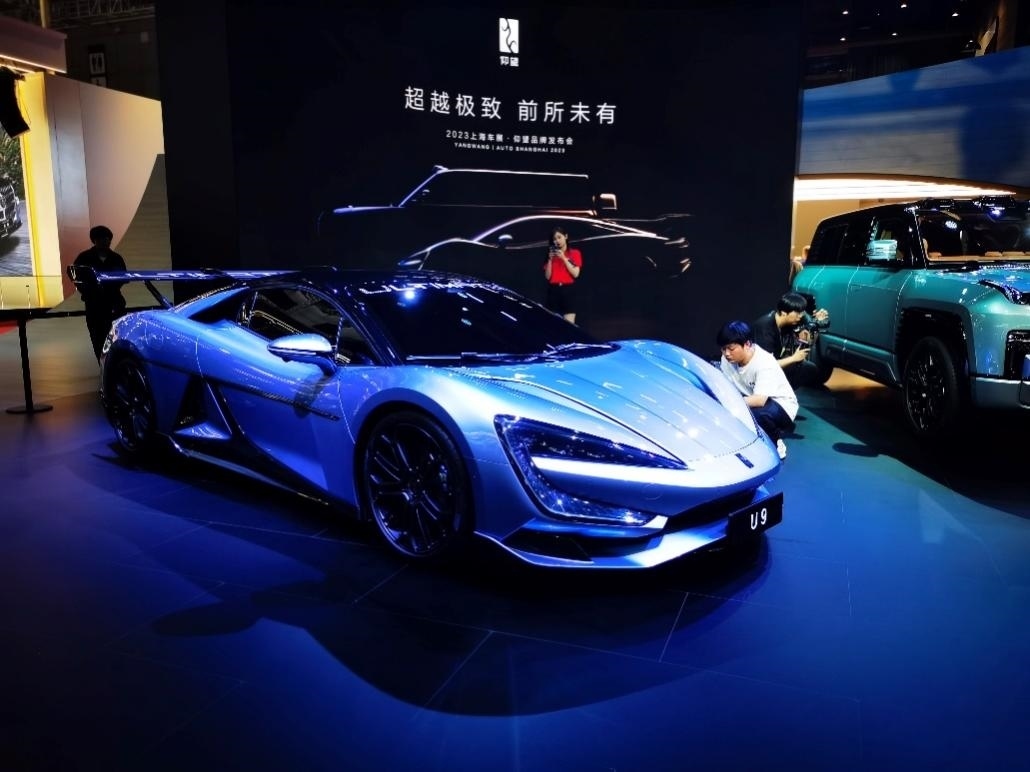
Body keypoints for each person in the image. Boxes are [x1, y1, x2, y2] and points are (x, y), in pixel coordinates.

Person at [716, 320, 798, 460]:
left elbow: (759, 400)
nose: (727, 353)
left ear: (747, 344)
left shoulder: (764, 362)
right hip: (752, 397)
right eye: (723, 349)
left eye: (731, 348)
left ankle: (776, 443)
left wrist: (729, 402)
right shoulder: (726, 359)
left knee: (756, 414)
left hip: (782, 406)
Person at [752, 291, 829, 389]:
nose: (800, 316)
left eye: (801, 312)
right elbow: (765, 366)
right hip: (758, 371)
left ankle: (785, 392)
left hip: (777, 363)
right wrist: (793, 358)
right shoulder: (765, 328)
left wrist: (815, 325)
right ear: (784, 313)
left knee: (809, 369)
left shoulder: (794, 320)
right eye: (797, 313)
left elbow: (809, 342)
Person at [72, 225, 127, 360]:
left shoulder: (116, 258)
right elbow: (76, 278)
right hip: (94, 306)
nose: (106, 241)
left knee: (117, 340)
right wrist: (88, 291)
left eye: (108, 239)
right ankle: (103, 366)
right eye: (102, 239)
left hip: (114, 305)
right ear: (94, 240)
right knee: (98, 340)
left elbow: (124, 277)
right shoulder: (84, 258)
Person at [542, 225, 582, 323]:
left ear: (566, 236)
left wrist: (563, 258)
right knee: (551, 323)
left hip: (568, 290)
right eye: (554, 239)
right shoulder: (551, 254)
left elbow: (576, 274)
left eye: (559, 237)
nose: (557, 241)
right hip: (553, 290)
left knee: (569, 324)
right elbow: (547, 277)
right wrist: (550, 260)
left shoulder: (575, 253)